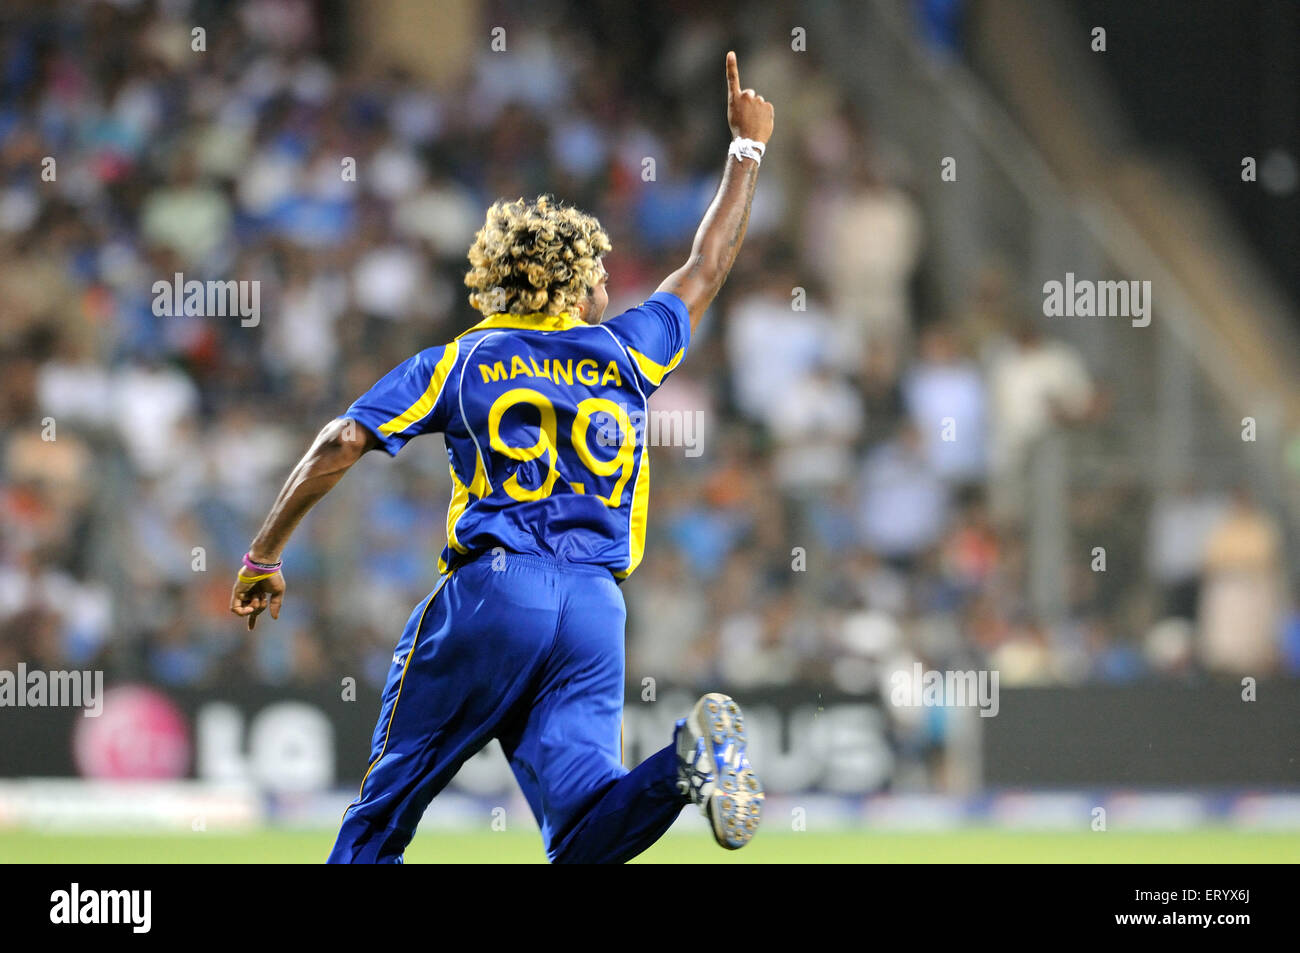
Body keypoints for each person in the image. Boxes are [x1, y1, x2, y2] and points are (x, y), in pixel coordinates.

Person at [229, 52, 774, 864]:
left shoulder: (462, 360)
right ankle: (684, 760)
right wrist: (746, 152)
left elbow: (343, 439)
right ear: (581, 282)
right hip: (595, 611)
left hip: (496, 591)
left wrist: (263, 553)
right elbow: (704, 268)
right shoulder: (628, 352)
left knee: (386, 807)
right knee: (586, 831)